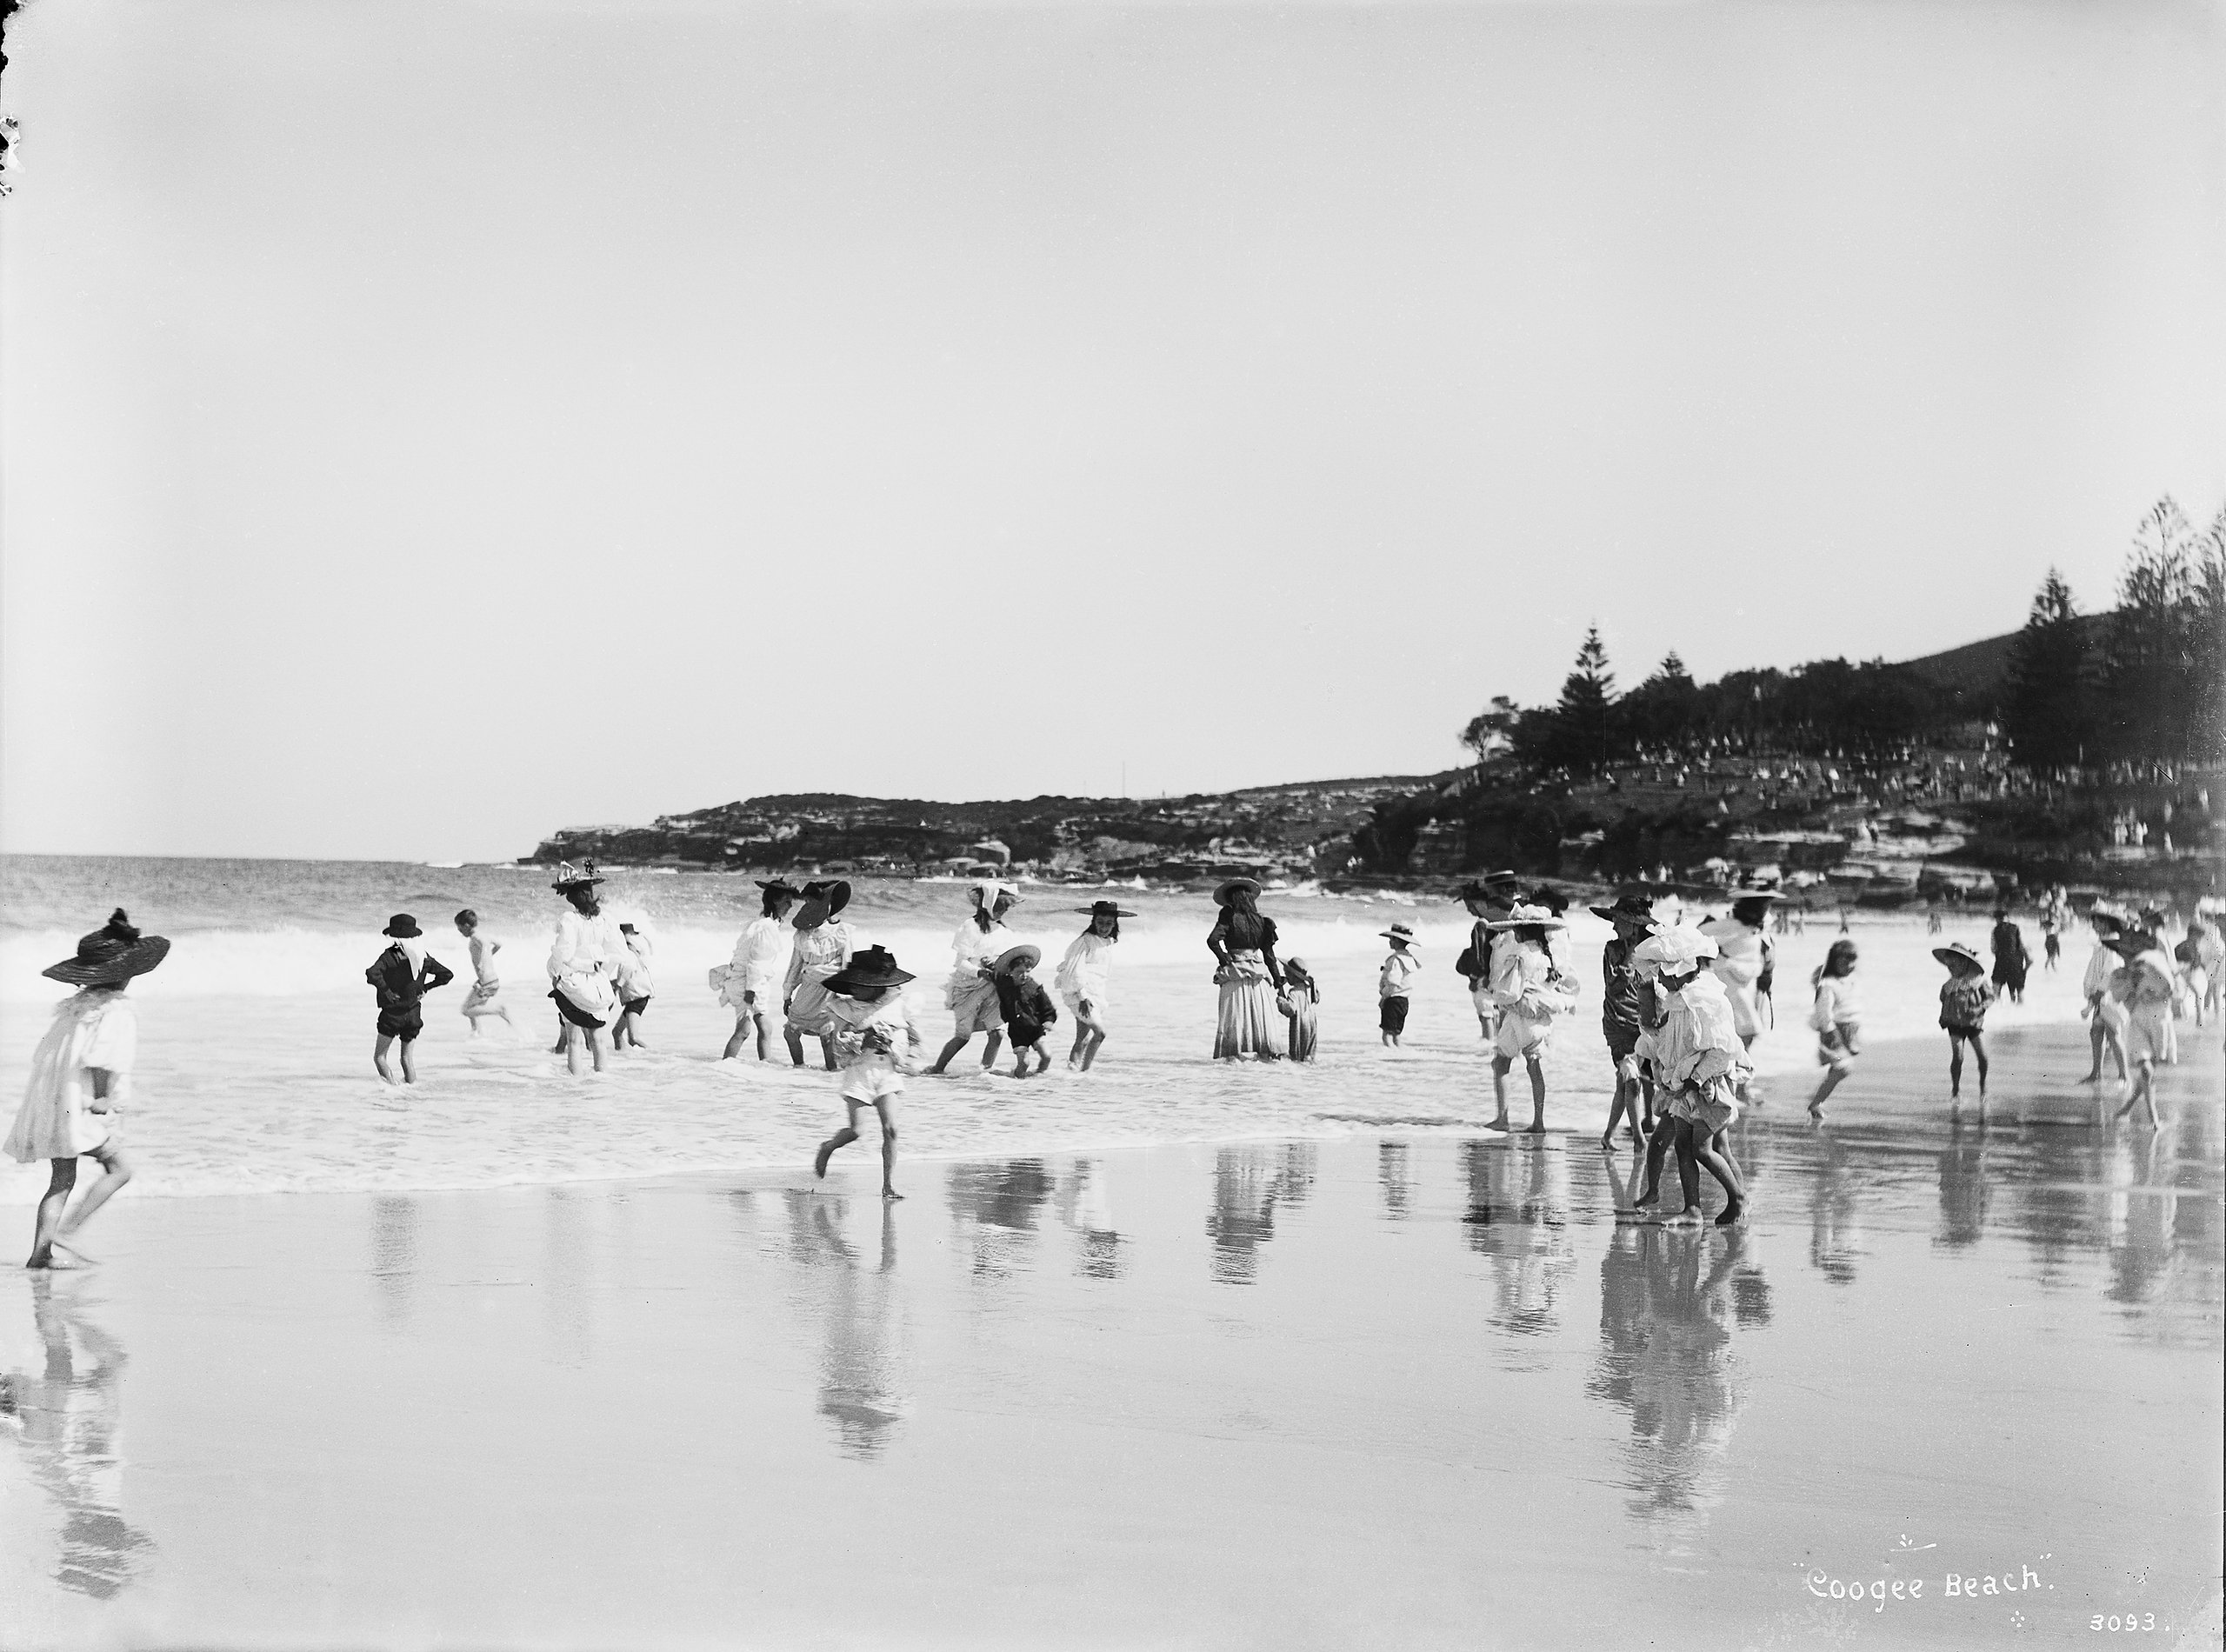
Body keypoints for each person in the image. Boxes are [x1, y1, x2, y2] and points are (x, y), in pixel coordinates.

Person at [6, 910, 170, 1269]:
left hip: (57, 1104)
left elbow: (51, 1058)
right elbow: (102, 1058)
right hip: (84, 1105)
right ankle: (70, 1230)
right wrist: (105, 1097)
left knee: (61, 1179)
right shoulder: (116, 1010)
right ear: (125, 974)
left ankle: (40, 1255)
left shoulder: (73, 1009)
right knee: (120, 1170)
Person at [1627, 927, 1749, 1227]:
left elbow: (1722, 1049)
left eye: (1665, 974)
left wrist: (1696, 1080)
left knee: (1702, 1148)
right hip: (1684, 1085)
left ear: (1681, 971)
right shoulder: (1679, 999)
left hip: (1707, 1083)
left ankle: (1738, 1197)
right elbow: (1666, 1037)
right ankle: (1692, 1209)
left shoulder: (1706, 1000)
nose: (1661, 980)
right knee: (1683, 1145)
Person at [812, 947, 922, 1201]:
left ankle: (888, 1185)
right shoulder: (844, 1009)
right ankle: (828, 1147)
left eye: (861, 984)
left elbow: (910, 1035)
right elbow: (839, 1047)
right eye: (853, 983)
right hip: (859, 1072)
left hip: (887, 1070)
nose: (855, 988)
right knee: (857, 1131)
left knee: (891, 1129)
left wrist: (901, 1047)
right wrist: (864, 1039)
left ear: (877, 985)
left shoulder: (895, 1004)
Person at [1483, 903, 1576, 1134]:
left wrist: (1496, 994)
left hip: (1520, 1018)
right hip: (1539, 1020)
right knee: (1533, 1068)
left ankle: (1503, 1118)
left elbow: (1512, 991)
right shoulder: (1548, 957)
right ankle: (1538, 1121)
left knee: (1501, 1063)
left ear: (1524, 931)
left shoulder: (1521, 955)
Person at [1590, 890, 1662, 1152]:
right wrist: (1631, 956)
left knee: (1625, 1082)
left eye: (1618, 921)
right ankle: (1639, 1141)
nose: (1613, 925)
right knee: (1631, 1079)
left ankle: (1608, 1135)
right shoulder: (1612, 949)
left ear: (1633, 924)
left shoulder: (1653, 950)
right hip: (1618, 1023)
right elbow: (1614, 986)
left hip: (1645, 1024)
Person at [928, 880, 1019, 1075]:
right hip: (968, 986)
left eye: (1006, 908)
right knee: (963, 1036)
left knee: (997, 1033)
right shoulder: (970, 927)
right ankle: (937, 1069)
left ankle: (985, 1071)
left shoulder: (1005, 932)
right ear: (988, 904)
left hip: (994, 986)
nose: (1004, 911)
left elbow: (1009, 961)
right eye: (1001, 907)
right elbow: (960, 962)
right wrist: (980, 972)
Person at [547, 863, 627, 1076]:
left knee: (574, 1040)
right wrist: (602, 969)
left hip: (575, 984)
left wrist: (557, 975)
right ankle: (601, 1082)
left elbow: (564, 953)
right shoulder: (604, 919)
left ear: (571, 898)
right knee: (598, 1040)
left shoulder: (570, 920)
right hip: (598, 984)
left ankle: (576, 1085)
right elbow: (619, 951)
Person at [1698, 892, 1776, 1095]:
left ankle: (1736, 1081)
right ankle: (1733, 1082)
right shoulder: (1730, 926)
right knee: (1746, 1031)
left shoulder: (1756, 928)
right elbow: (1699, 934)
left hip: (1749, 983)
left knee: (1742, 1033)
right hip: (1730, 982)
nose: (1766, 911)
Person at [366, 914, 454, 1084]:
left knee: (380, 1057)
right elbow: (446, 975)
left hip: (392, 1014)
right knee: (406, 1059)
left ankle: (393, 1089)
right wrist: (425, 988)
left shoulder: (392, 955)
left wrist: (387, 991)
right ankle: (412, 1094)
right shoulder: (423, 956)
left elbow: (372, 973)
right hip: (413, 1014)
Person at [1207, 879, 1285, 1060]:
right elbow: (1269, 956)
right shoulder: (1262, 921)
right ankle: (1264, 1063)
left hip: (1234, 974)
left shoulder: (1228, 914)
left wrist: (1224, 959)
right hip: (1258, 975)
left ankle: (1236, 1066)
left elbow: (1212, 941)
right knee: (1260, 1023)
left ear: (1231, 899)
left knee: (1235, 1024)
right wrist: (1278, 982)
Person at [720, 880, 796, 1062]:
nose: (790, 905)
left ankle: (764, 1065)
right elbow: (756, 963)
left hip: (743, 979)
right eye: (787, 901)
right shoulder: (766, 928)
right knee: (745, 1029)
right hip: (748, 982)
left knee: (763, 1027)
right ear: (776, 901)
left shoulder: (760, 923)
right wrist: (750, 992)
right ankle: (726, 1065)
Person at [783, 880, 856, 1071]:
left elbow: (848, 965)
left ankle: (831, 1076)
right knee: (791, 1033)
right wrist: (787, 994)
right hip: (808, 989)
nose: (809, 906)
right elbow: (795, 966)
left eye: (812, 902)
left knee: (828, 1038)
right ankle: (798, 1068)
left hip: (832, 991)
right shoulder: (802, 935)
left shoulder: (842, 932)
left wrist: (846, 997)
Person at [2109, 929, 2176, 1129]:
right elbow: (2123, 1001)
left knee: (2149, 1072)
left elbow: (2172, 989)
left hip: (2160, 1020)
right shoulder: (2121, 975)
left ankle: (2128, 1106)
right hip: (2139, 1021)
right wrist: (2131, 983)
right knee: (2146, 1070)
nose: (2126, 955)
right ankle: (2152, 1115)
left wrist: (2151, 988)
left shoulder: (2156, 961)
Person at [1056, 901, 1130, 1072]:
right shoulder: (1085, 941)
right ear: (1093, 922)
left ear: (1115, 924)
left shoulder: (1109, 942)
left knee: (1082, 1039)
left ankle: (1073, 1072)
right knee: (1100, 1033)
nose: (1104, 927)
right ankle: (1085, 1072)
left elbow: (1101, 973)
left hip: (1096, 994)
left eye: (1109, 923)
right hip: (1081, 994)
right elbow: (1074, 969)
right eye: (1100, 922)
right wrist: (1083, 997)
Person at [1454, 872, 1522, 1041]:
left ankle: (1490, 1048)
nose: (1470, 909)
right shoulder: (1502, 922)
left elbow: (1481, 954)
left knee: (1489, 1017)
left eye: (1470, 905)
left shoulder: (1484, 925)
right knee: (1503, 1017)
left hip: (1492, 977)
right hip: (1503, 977)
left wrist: (1480, 976)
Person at [1806, 939, 1861, 1120]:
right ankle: (1816, 1103)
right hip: (1833, 1033)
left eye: (1852, 961)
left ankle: (1819, 1099)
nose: (1849, 966)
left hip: (1848, 1031)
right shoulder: (1828, 984)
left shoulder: (1847, 980)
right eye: (1844, 962)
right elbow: (1823, 1012)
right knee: (1843, 1068)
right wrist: (1831, 1033)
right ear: (1834, 962)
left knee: (1837, 1069)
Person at [1934, 940, 1995, 1104]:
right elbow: (1943, 1001)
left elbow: (1990, 997)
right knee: (1958, 1056)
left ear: (1965, 963)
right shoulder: (1948, 985)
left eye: (1954, 965)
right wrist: (1944, 1016)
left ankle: (1983, 1086)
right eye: (1949, 966)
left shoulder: (1978, 981)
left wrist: (1980, 1008)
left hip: (1974, 1024)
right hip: (1954, 1025)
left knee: (1983, 1057)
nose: (1951, 968)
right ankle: (1955, 1090)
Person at [2081, 911, 2132, 1084]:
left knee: (2112, 1034)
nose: (2094, 926)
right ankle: (2097, 1073)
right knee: (2096, 1032)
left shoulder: (2111, 944)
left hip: (2109, 997)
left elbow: (2110, 974)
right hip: (2103, 998)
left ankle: (2124, 1076)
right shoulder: (2104, 943)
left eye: (2096, 922)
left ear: (2106, 924)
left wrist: (2097, 996)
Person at [991, 945, 1057, 1077]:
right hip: (1017, 1032)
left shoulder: (1035, 988)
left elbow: (1048, 1009)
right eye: (1019, 972)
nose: (1024, 975)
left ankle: (1039, 1076)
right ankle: (1018, 1081)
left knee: (1047, 1056)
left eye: (1028, 971)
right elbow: (993, 974)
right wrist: (986, 965)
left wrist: (1049, 1022)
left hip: (1036, 1030)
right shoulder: (1004, 984)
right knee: (1024, 1063)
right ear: (1010, 971)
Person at [453, 910, 513, 1036]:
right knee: (473, 1006)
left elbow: (485, 945)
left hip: (486, 982)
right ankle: (476, 1033)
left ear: (466, 926)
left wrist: (482, 962)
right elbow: (498, 944)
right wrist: (487, 957)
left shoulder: (476, 937)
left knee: (466, 1010)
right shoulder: (483, 934)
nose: (459, 931)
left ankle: (499, 1010)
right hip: (491, 980)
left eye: (460, 928)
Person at [611, 920, 655, 1050]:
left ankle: (654, 1056)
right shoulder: (637, 954)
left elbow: (627, 970)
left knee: (633, 1038)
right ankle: (622, 1059)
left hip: (636, 998)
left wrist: (617, 987)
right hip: (638, 997)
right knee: (616, 1032)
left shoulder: (628, 954)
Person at [1377, 923, 1420, 1047]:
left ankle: (1392, 1056)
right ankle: (1399, 1054)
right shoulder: (1410, 958)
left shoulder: (1395, 959)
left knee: (1387, 1035)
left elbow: (1393, 982)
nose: (1390, 942)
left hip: (1393, 1000)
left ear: (1396, 941)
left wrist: (1383, 998)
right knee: (1396, 1035)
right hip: (1404, 1001)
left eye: (1391, 939)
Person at [1278, 957, 1319, 1062]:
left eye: (1287, 973)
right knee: (1308, 1055)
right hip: (1311, 1024)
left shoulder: (1294, 992)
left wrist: (1280, 999)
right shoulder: (1309, 989)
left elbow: (1289, 1010)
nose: (1286, 976)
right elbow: (1317, 999)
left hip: (1300, 1025)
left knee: (1296, 1056)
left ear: (1294, 976)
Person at [1989, 909, 2029, 1006]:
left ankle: (1997, 1008)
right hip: (2016, 961)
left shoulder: (1995, 930)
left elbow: (1993, 949)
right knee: (2020, 989)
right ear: (2007, 917)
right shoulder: (2016, 928)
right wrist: (2027, 960)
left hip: (2001, 960)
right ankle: (2020, 1010)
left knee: (1996, 987)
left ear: (1997, 919)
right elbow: (2022, 946)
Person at [2042, 905, 2063, 971]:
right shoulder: (2051, 925)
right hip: (2052, 940)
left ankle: (2050, 970)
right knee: (2051, 957)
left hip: (2051, 939)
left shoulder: (2050, 926)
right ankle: (2049, 970)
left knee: (2050, 957)